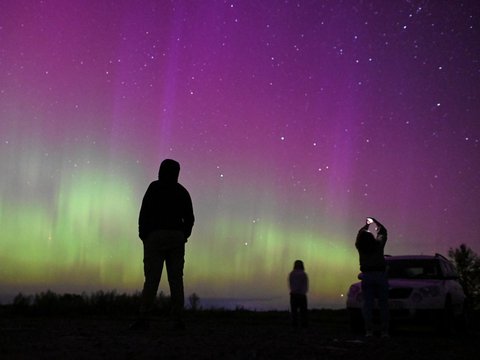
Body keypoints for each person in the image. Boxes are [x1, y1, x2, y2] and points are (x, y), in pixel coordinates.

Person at [132, 159, 194, 331]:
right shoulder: (182, 192)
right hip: (174, 237)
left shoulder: (154, 188)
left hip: (156, 236)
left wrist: (144, 234)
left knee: (151, 279)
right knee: (176, 279)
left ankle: (144, 318)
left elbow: (143, 213)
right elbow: (190, 218)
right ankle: (177, 320)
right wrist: (183, 235)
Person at [355, 217, 389, 337]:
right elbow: (383, 232)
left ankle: (369, 330)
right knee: (383, 304)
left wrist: (366, 226)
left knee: (368, 304)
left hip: (367, 276)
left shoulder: (360, 247)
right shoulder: (378, 246)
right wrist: (375, 221)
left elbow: (359, 235)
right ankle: (384, 331)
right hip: (380, 275)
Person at [288, 260, 309, 328]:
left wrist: (293, 290)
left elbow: (290, 284)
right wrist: (304, 291)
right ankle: (303, 325)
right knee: (303, 312)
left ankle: (295, 325)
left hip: (293, 295)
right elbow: (305, 285)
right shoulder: (303, 274)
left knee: (294, 312)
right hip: (302, 295)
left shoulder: (291, 274)